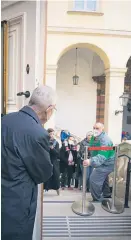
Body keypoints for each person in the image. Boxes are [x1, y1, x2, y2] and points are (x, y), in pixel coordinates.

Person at [1, 85, 56, 240]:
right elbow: (43, 174)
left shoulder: (4, 120)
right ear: (49, 109)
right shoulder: (37, 133)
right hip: (17, 205)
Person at [83, 122, 115, 202]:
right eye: (94, 128)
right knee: (103, 179)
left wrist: (91, 161)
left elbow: (103, 155)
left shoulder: (105, 139)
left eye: (97, 128)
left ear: (102, 129)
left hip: (107, 163)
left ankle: (97, 199)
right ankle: (107, 194)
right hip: (103, 162)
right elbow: (94, 149)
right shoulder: (95, 137)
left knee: (94, 179)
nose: (95, 130)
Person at [44, 128, 60, 195]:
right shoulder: (44, 142)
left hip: (54, 161)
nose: (52, 135)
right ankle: (44, 188)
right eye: (50, 134)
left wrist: (52, 148)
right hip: (46, 161)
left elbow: (57, 153)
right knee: (45, 175)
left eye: (53, 134)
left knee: (56, 175)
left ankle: (57, 190)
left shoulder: (56, 143)